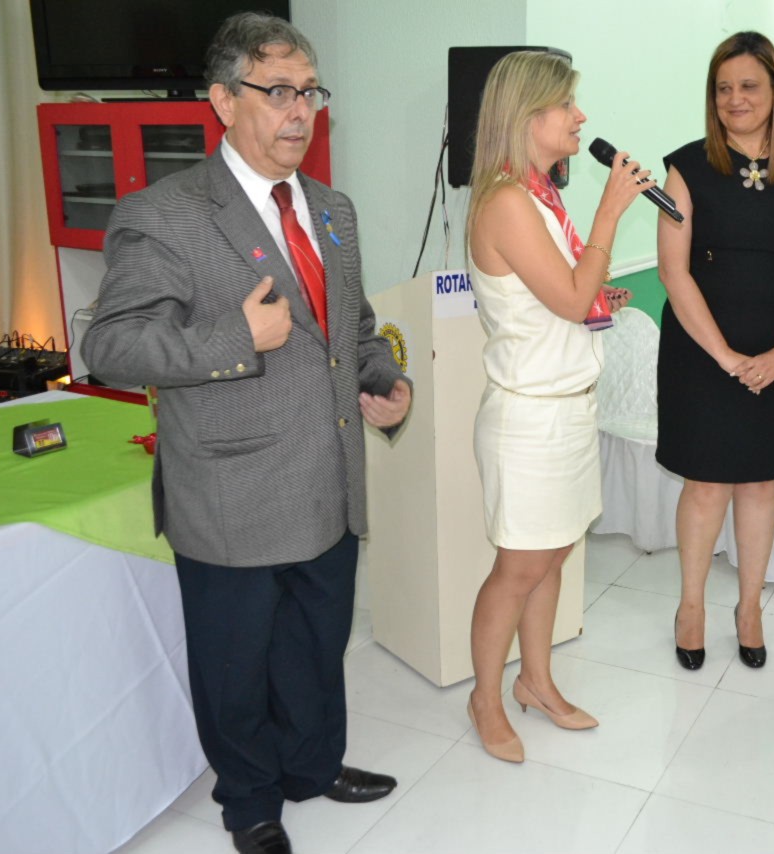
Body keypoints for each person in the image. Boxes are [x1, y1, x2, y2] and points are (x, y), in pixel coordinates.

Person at [81, 13, 410, 854]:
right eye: (279, 92)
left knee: (316, 647)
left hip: (328, 482)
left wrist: (384, 380)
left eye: (310, 93)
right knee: (236, 667)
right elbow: (111, 347)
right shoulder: (165, 214)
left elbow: (352, 327)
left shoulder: (333, 210)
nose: (300, 111)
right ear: (225, 101)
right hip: (231, 494)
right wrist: (238, 338)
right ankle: (251, 803)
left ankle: (312, 766)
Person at [465, 50, 649, 764]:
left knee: (555, 556)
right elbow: (571, 298)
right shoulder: (507, 200)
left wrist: (598, 295)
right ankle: (485, 698)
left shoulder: (539, 194)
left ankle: (536, 682)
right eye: (567, 105)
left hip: (568, 409)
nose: (581, 117)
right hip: (529, 419)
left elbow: (565, 298)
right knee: (518, 568)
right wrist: (610, 211)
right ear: (526, 115)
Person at [656, 31, 774, 671]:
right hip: (701, 348)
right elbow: (673, 271)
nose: (735, 98)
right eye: (724, 88)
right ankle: (691, 608)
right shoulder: (687, 167)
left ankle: (750, 608)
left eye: (749, 85)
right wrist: (725, 356)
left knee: (760, 482)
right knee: (706, 484)